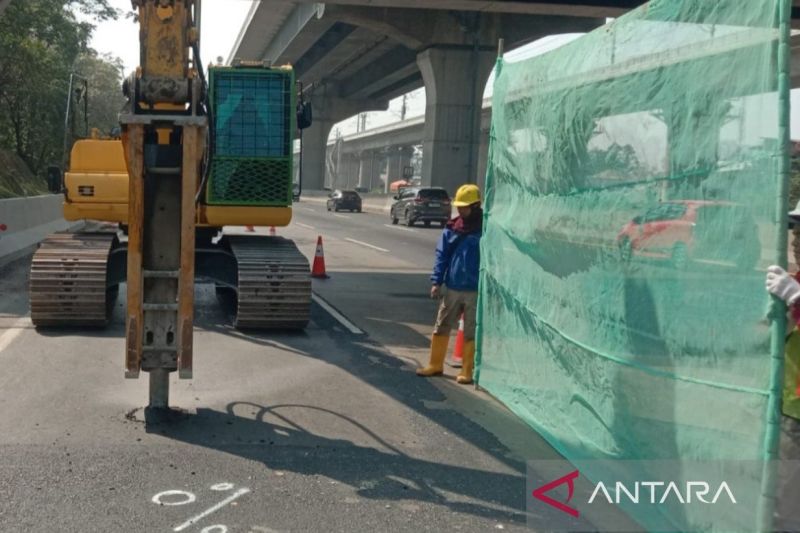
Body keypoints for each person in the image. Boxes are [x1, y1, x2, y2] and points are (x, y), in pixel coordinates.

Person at [416, 183, 483, 384]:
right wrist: (437, 281)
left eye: (465, 207)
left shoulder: (485, 230)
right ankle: (435, 365)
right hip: (453, 286)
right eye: (459, 206)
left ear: (476, 206)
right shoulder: (452, 229)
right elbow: (441, 256)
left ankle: (466, 371)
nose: (461, 210)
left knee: (471, 330)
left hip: (475, 289)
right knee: (442, 325)